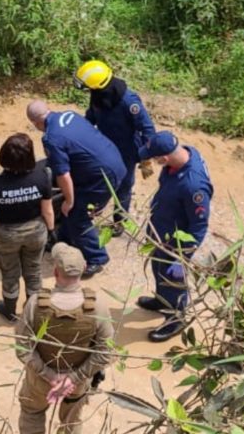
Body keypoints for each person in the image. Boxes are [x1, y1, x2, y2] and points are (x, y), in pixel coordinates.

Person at [15, 242, 114, 434]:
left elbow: (23, 348)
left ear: (55, 271)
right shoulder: (98, 307)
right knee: (71, 422)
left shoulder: (35, 304)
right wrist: (72, 379)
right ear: (84, 268)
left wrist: (51, 376)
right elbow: (104, 353)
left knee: (31, 414)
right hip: (76, 384)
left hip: (39, 381)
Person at [26, 100, 126, 278]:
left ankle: (96, 258)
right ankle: (63, 240)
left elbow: (63, 175)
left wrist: (69, 201)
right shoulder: (69, 115)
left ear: (35, 122)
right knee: (71, 211)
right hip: (115, 161)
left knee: (78, 214)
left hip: (102, 177)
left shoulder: (52, 138)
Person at [135, 131, 214, 342]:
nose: (154, 162)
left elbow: (199, 225)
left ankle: (176, 319)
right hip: (162, 229)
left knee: (173, 280)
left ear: (164, 158)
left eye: (155, 159)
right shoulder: (185, 153)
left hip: (175, 242)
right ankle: (162, 300)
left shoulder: (193, 185)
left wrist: (182, 257)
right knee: (157, 267)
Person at [0, 133, 55, 322]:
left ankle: (9, 311)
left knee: (10, 271)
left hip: (6, 235)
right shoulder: (41, 178)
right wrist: (52, 231)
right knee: (34, 270)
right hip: (35, 231)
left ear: (4, 156)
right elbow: (48, 210)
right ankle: (33, 313)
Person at [75, 60, 157, 236]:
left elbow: (147, 129)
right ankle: (90, 214)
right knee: (99, 180)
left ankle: (119, 223)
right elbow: (91, 118)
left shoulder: (129, 102)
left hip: (127, 151)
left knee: (123, 187)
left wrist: (146, 158)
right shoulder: (98, 96)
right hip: (105, 147)